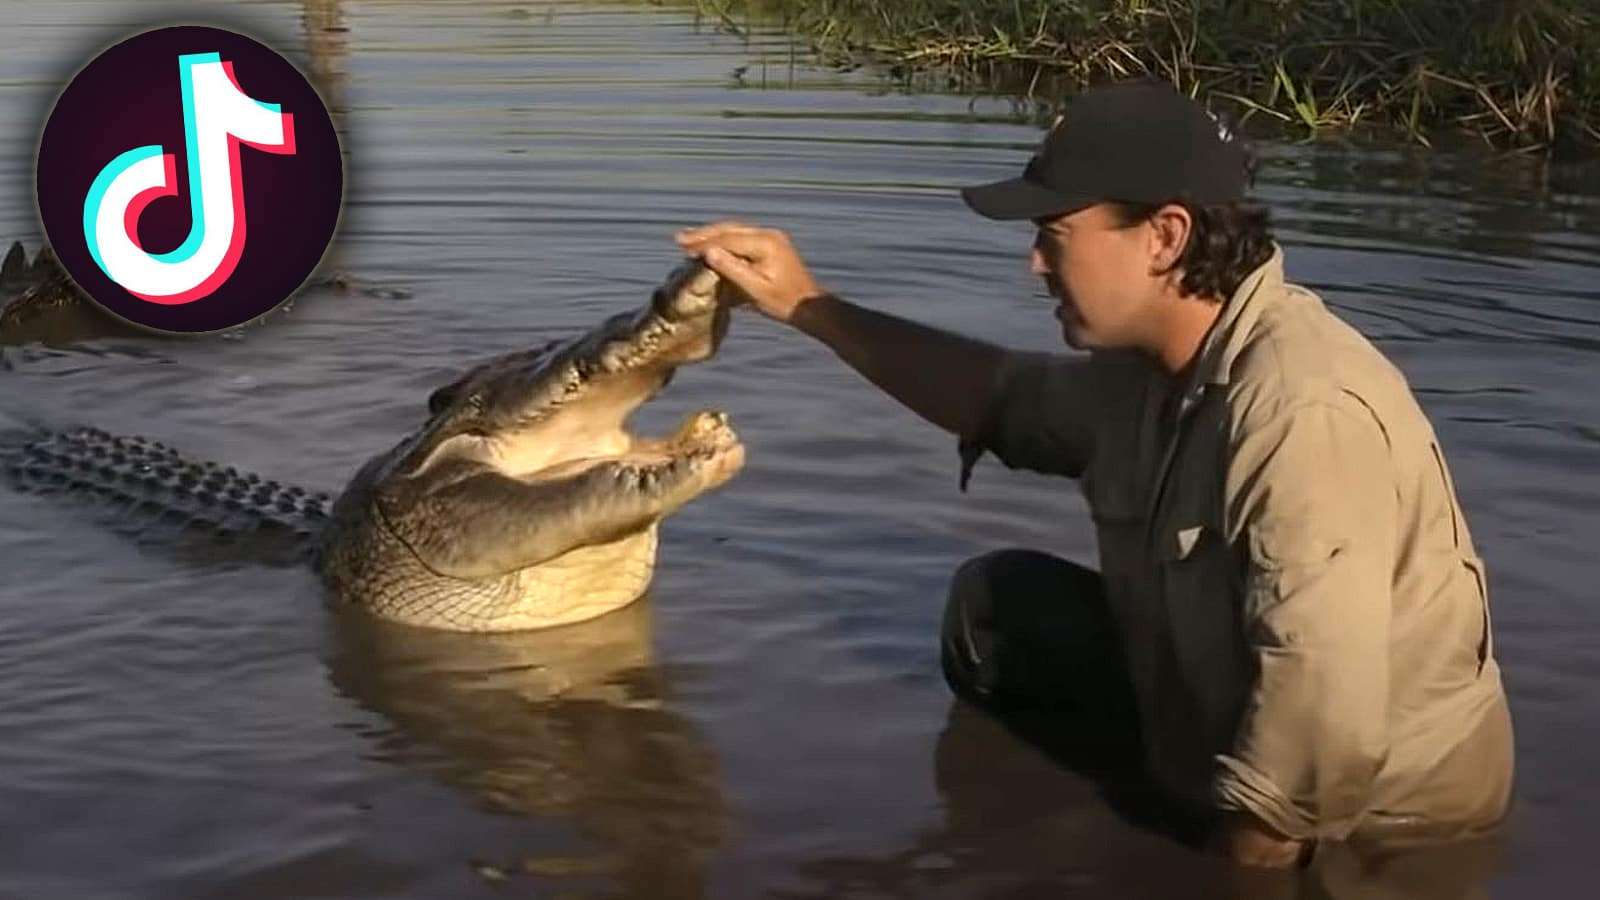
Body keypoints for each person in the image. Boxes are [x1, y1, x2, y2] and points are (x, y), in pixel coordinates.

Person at [674, 79, 1513, 869]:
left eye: (1055, 234)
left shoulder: (1300, 412)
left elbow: (1313, 756)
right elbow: (1001, 400)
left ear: (1166, 237)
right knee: (997, 612)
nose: (1034, 264)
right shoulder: (1150, 367)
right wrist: (808, 306)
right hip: (1236, 726)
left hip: (1371, 829)